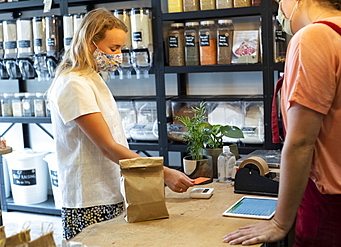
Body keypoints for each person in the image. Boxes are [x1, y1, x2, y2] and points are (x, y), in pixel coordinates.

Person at [47, 8, 194, 240]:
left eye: (121, 49)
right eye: (113, 48)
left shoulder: (91, 80)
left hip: (110, 191)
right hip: (89, 200)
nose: (119, 55)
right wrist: (162, 173)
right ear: (89, 43)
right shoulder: (73, 85)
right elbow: (106, 146)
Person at [223, 0, 341, 246]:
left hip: (329, 206)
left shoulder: (314, 37)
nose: (280, 9)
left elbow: (301, 143)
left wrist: (280, 223)